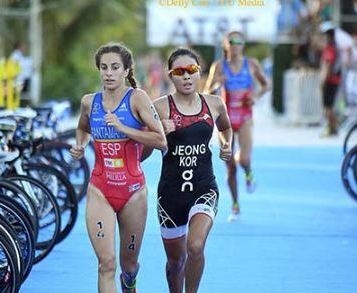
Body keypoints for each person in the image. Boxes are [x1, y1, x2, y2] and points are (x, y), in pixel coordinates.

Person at [70, 43, 167, 292]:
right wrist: (80, 145)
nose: (109, 73)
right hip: (100, 189)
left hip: (133, 192)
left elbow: (160, 140)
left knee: (128, 264)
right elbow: (82, 127)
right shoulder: (89, 102)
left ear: (126, 71)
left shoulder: (137, 98)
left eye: (115, 67)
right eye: (104, 68)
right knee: (106, 263)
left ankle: (130, 282)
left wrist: (124, 129)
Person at [142, 48, 233, 293]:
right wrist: (159, 132)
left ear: (198, 72)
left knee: (195, 247)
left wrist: (227, 145)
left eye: (191, 70)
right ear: (170, 75)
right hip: (170, 197)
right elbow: (140, 154)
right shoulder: (158, 108)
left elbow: (225, 127)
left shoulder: (213, 104)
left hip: (204, 189)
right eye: (179, 71)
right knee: (175, 262)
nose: (186, 76)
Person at [204, 31, 269, 222]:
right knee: (230, 164)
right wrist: (217, 84)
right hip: (226, 120)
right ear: (226, 45)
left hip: (245, 117)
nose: (236, 45)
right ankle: (235, 205)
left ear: (243, 45)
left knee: (244, 159)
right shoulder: (219, 67)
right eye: (232, 41)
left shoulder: (252, 64)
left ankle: (248, 173)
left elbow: (266, 85)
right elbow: (206, 92)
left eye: (239, 41)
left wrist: (255, 97)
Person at [320, 27, 342, 136]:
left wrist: (323, 81)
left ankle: (331, 128)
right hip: (336, 79)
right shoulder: (335, 47)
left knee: (328, 106)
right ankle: (333, 128)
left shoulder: (330, 48)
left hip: (330, 80)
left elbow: (328, 66)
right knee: (330, 105)